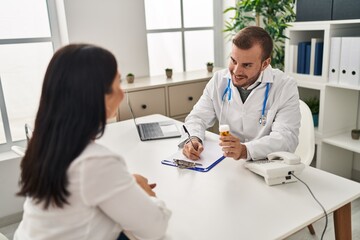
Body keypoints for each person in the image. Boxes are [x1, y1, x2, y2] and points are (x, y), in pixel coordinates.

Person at [14, 44, 171, 240]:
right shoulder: (96, 161)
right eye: (117, 84)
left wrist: (122, 183)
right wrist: (147, 193)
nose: (122, 94)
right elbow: (155, 230)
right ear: (98, 96)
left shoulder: (45, 146)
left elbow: (84, 188)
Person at [182, 26, 300, 161]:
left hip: (267, 165)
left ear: (265, 64)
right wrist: (193, 139)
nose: (236, 71)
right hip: (230, 164)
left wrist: (245, 150)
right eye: (233, 61)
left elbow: (286, 138)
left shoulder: (285, 86)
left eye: (247, 65)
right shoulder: (218, 80)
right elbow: (197, 118)